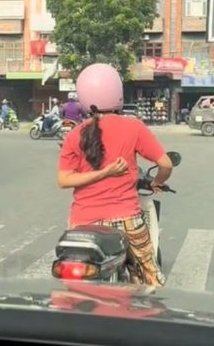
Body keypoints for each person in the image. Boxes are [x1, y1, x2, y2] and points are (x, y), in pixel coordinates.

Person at [58, 63, 173, 287]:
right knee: (151, 281)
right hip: (126, 219)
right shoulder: (134, 127)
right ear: (118, 94)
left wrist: (99, 173)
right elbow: (166, 164)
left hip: (82, 222)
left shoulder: (74, 135)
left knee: (71, 286)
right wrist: (157, 182)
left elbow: (64, 180)